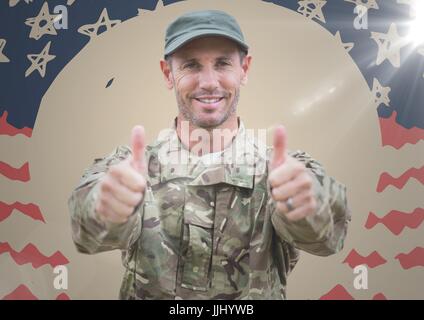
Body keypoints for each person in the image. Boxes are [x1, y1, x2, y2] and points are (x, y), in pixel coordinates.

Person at [68, 10, 351, 300]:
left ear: (244, 69)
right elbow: (86, 230)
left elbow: (330, 237)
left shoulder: (284, 172)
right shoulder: (130, 170)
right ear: (168, 74)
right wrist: (105, 210)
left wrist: (310, 208)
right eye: (191, 65)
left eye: (223, 63)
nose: (208, 82)